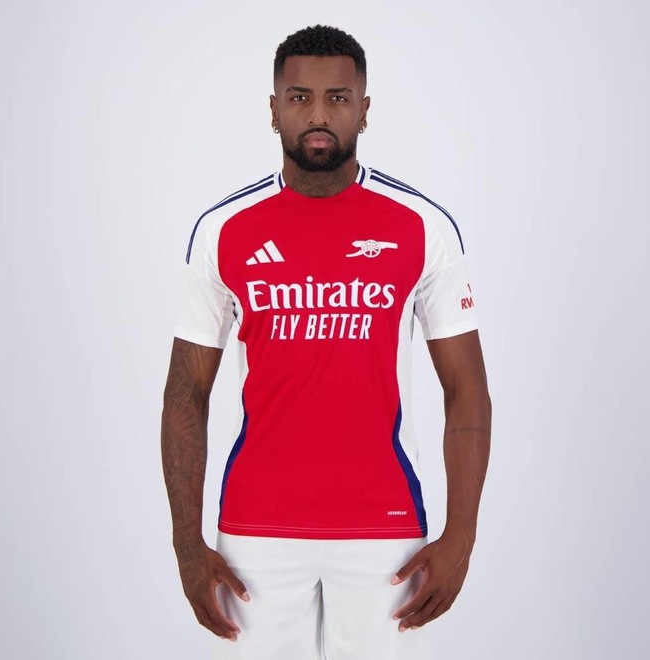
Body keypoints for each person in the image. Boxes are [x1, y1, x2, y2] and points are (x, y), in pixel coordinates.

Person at [161, 24, 491, 660]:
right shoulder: (224, 230)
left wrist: (463, 536)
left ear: (364, 109)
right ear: (274, 109)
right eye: (299, 97)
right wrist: (186, 544)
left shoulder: (422, 227)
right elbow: (185, 392)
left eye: (338, 98)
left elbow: (466, 389)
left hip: (386, 533)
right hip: (254, 534)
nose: (318, 115)